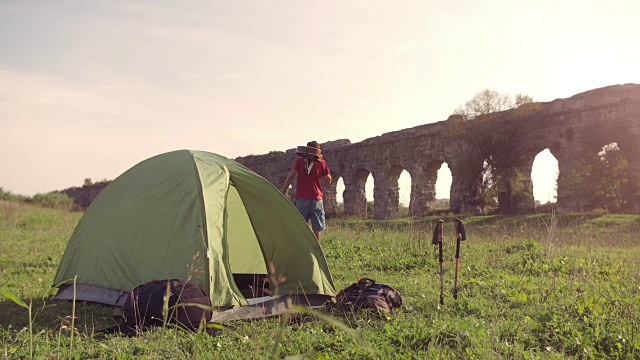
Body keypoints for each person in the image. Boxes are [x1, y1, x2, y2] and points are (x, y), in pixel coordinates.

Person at [281, 141, 332, 242]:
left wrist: (283, 192)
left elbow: (290, 177)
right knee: (317, 229)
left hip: (302, 199)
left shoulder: (299, 161)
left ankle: (301, 249)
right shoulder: (322, 163)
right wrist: (322, 164)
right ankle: (317, 252)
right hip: (317, 200)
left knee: (300, 227)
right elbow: (328, 181)